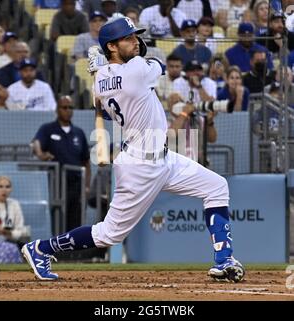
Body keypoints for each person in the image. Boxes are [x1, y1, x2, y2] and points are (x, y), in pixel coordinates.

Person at [21, 17, 245, 282]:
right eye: (128, 38)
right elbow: (159, 65)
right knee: (109, 234)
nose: (136, 42)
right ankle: (40, 249)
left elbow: (104, 110)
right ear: (112, 47)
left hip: (164, 158)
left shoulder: (102, 80)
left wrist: (102, 70)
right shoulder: (136, 69)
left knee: (216, 186)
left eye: (134, 37)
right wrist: (105, 68)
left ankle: (224, 259)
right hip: (140, 166)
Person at [32, 95, 91, 230]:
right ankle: (57, 249)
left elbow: (86, 161)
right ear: (57, 109)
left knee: (76, 217)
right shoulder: (47, 129)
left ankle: (74, 251)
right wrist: (41, 154)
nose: (68, 110)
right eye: (64, 107)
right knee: (58, 217)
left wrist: (87, 186)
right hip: (56, 183)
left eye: (71, 107)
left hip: (76, 184)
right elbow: (36, 143)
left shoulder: (79, 133)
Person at [0, 176, 30, 263]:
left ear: (11, 189)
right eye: (0, 186)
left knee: (11, 248)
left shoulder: (14, 204)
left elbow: (20, 230)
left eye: (7, 187)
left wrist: (10, 233)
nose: (4, 190)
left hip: (10, 242)